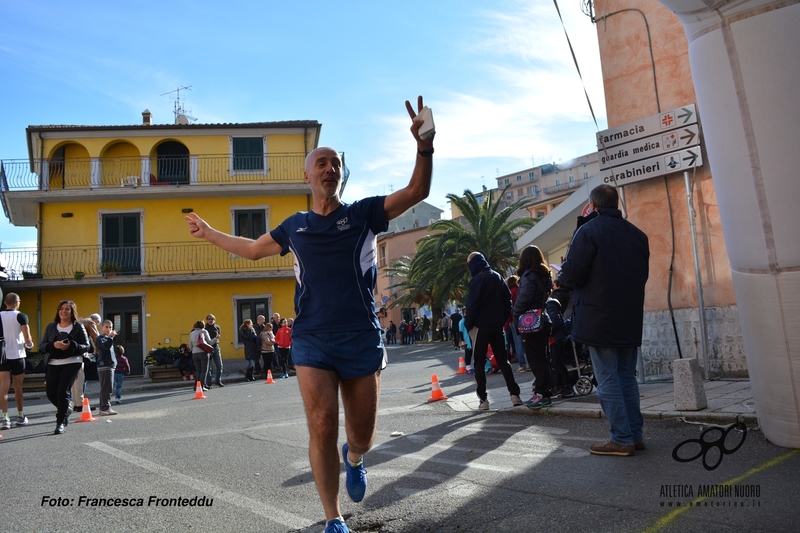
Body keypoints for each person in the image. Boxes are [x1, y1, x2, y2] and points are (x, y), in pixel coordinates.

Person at [186, 95, 434, 533]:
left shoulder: (364, 215)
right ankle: (332, 517)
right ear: (307, 175)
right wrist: (208, 234)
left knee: (361, 435)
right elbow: (249, 249)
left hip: (360, 334)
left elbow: (417, 192)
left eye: (335, 163)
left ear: (342, 175)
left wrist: (424, 146)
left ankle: (354, 457)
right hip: (312, 338)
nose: (328, 168)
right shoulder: (293, 227)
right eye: (321, 162)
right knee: (321, 423)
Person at [558, 184, 649, 457]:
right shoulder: (638, 235)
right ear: (616, 203)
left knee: (607, 377)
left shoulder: (588, 232)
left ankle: (621, 439)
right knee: (626, 377)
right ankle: (635, 435)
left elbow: (572, 273)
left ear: (593, 206)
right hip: (629, 315)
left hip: (599, 315)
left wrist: (561, 279)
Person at [464, 252, 523, 410]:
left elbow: (472, 305)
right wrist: (501, 319)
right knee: (504, 361)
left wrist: (468, 324)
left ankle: (483, 400)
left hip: (480, 328)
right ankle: (515, 395)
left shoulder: (476, 280)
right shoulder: (497, 276)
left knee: (479, 363)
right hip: (497, 326)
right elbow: (507, 300)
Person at [40, 300, 91, 435]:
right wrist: (54, 345)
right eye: (61, 309)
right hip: (53, 362)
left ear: (72, 312)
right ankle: (67, 408)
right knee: (51, 393)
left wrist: (72, 345)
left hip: (72, 362)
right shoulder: (51, 327)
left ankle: (60, 422)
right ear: (58, 311)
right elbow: (42, 345)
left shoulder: (78, 327)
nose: (64, 311)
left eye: (67, 309)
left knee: (63, 391)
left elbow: (87, 346)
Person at [514, 245, 554, 409]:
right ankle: (542, 391)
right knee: (542, 358)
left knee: (535, 359)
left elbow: (524, 298)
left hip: (530, 322)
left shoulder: (528, 276)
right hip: (542, 318)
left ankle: (543, 394)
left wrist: (515, 312)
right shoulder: (544, 275)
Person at [0, 293, 35, 429]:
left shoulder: (0, 315)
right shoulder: (21, 316)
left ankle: (5, 419)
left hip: (3, 355)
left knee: (3, 388)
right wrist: (30, 345)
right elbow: (27, 338)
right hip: (18, 354)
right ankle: (20, 416)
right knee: (18, 387)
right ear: (17, 303)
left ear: (5, 303)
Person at [546, 280, 575, 398]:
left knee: (557, 362)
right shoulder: (550, 303)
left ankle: (567, 386)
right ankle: (558, 386)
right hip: (554, 337)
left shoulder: (550, 303)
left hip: (555, 338)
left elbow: (555, 321)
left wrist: (548, 331)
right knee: (555, 362)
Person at [72, 313, 100, 412]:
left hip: (70, 353)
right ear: (95, 320)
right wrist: (98, 349)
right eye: (98, 323)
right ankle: (79, 404)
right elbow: (96, 337)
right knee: (80, 378)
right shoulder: (90, 323)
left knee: (74, 379)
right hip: (79, 353)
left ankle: (75, 403)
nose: (97, 325)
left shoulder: (78, 321)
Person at [94, 320, 118, 416]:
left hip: (109, 365)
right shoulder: (101, 338)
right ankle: (105, 408)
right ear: (102, 328)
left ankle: (105, 407)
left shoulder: (107, 338)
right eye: (106, 327)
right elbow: (105, 346)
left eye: (110, 327)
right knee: (106, 388)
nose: (109, 329)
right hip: (104, 366)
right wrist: (111, 337)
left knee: (108, 387)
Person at [189, 320, 212, 392]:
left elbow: (190, 346)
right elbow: (210, 342)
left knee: (198, 371)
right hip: (203, 353)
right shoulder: (204, 331)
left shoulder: (192, 333)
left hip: (194, 353)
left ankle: (196, 386)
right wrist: (216, 338)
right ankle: (202, 386)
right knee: (204, 371)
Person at [204, 314, 224, 388]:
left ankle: (218, 380)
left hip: (216, 347)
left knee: (220, 365)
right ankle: (209, 383)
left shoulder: (217, 327)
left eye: (212, 319)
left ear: (214, 320)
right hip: (207, 349)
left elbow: (218, 336)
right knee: (209, 367)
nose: (210, 320)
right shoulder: (205, 328)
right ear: (207, 320)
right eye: (209, 319)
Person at [457, 308, 474, 374]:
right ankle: (468, 367)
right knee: (468, 353)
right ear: (463, 313)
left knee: (474, 352)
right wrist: (462, 340)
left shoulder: (472, 320)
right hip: (467, 340)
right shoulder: (462, 321)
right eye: (465, 312)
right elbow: (460, 332)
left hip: (472, 338)